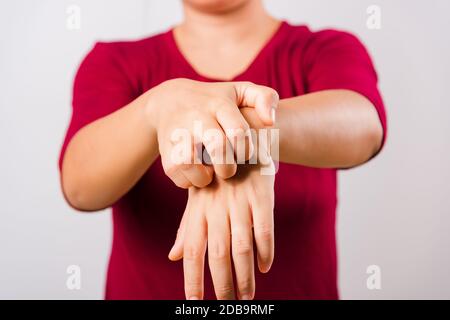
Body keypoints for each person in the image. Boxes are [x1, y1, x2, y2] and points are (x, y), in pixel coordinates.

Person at [59, 0, 387, 300]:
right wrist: (155, 108)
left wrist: (243, 142)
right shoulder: (114, 61)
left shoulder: (324, 49)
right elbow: (80, 186)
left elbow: (364, 125)